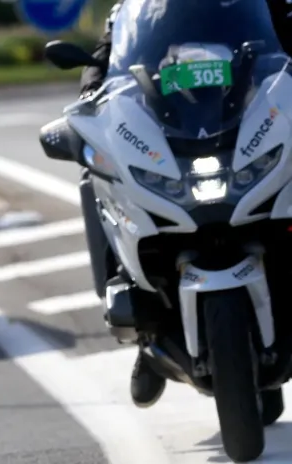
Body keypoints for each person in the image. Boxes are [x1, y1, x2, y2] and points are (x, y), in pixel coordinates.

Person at [74, 0, 292, 409]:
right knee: (100, 173)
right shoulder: (137, 10)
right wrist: (91, 91)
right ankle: (146, 335)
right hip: (172, 130)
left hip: (246, 116)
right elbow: (108, 56)